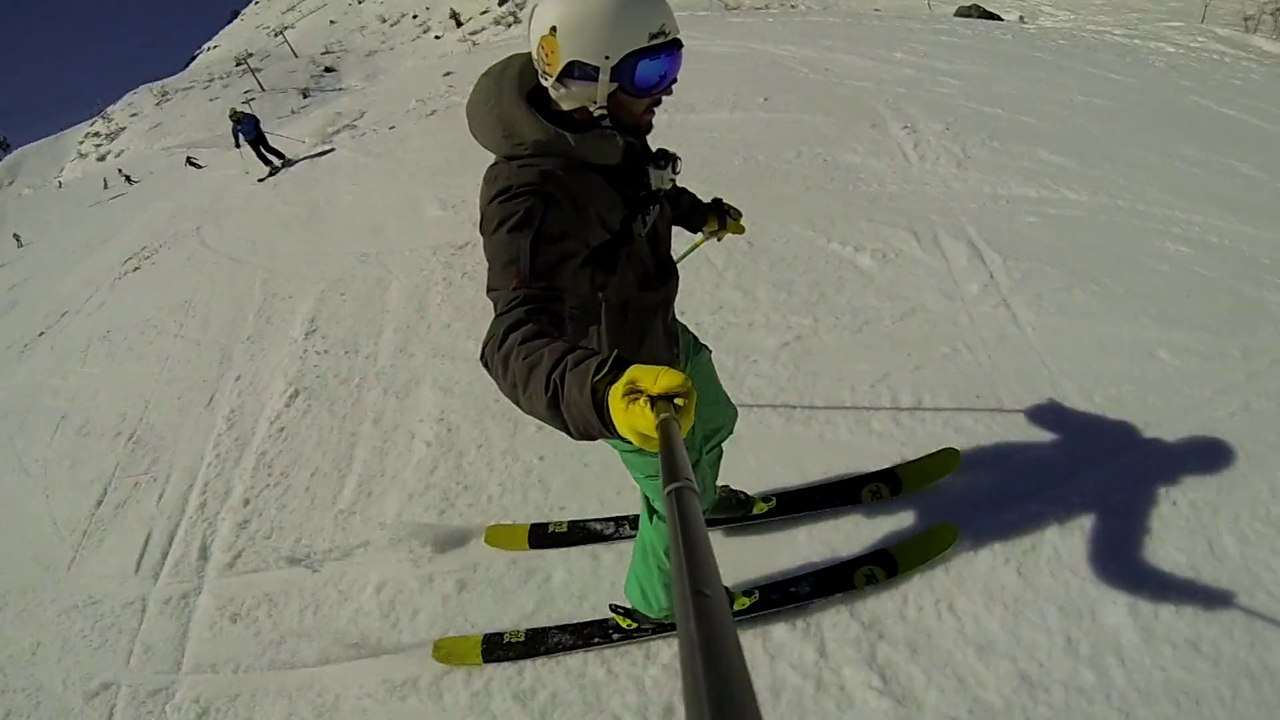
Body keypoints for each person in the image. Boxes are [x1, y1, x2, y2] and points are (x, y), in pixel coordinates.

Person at [465, 0, 750, 626]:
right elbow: (512, 338)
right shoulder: (527, 194)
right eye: (651, 72)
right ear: (588, 79)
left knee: (719, 417)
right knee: (675, 498)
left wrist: (699, 212)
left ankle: (703, 496)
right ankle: (660, 602)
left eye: (672, 64)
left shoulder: (606, 136)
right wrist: (603, 391)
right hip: (622, 376)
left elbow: (648, 189)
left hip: (661, 332)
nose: (667, 89)